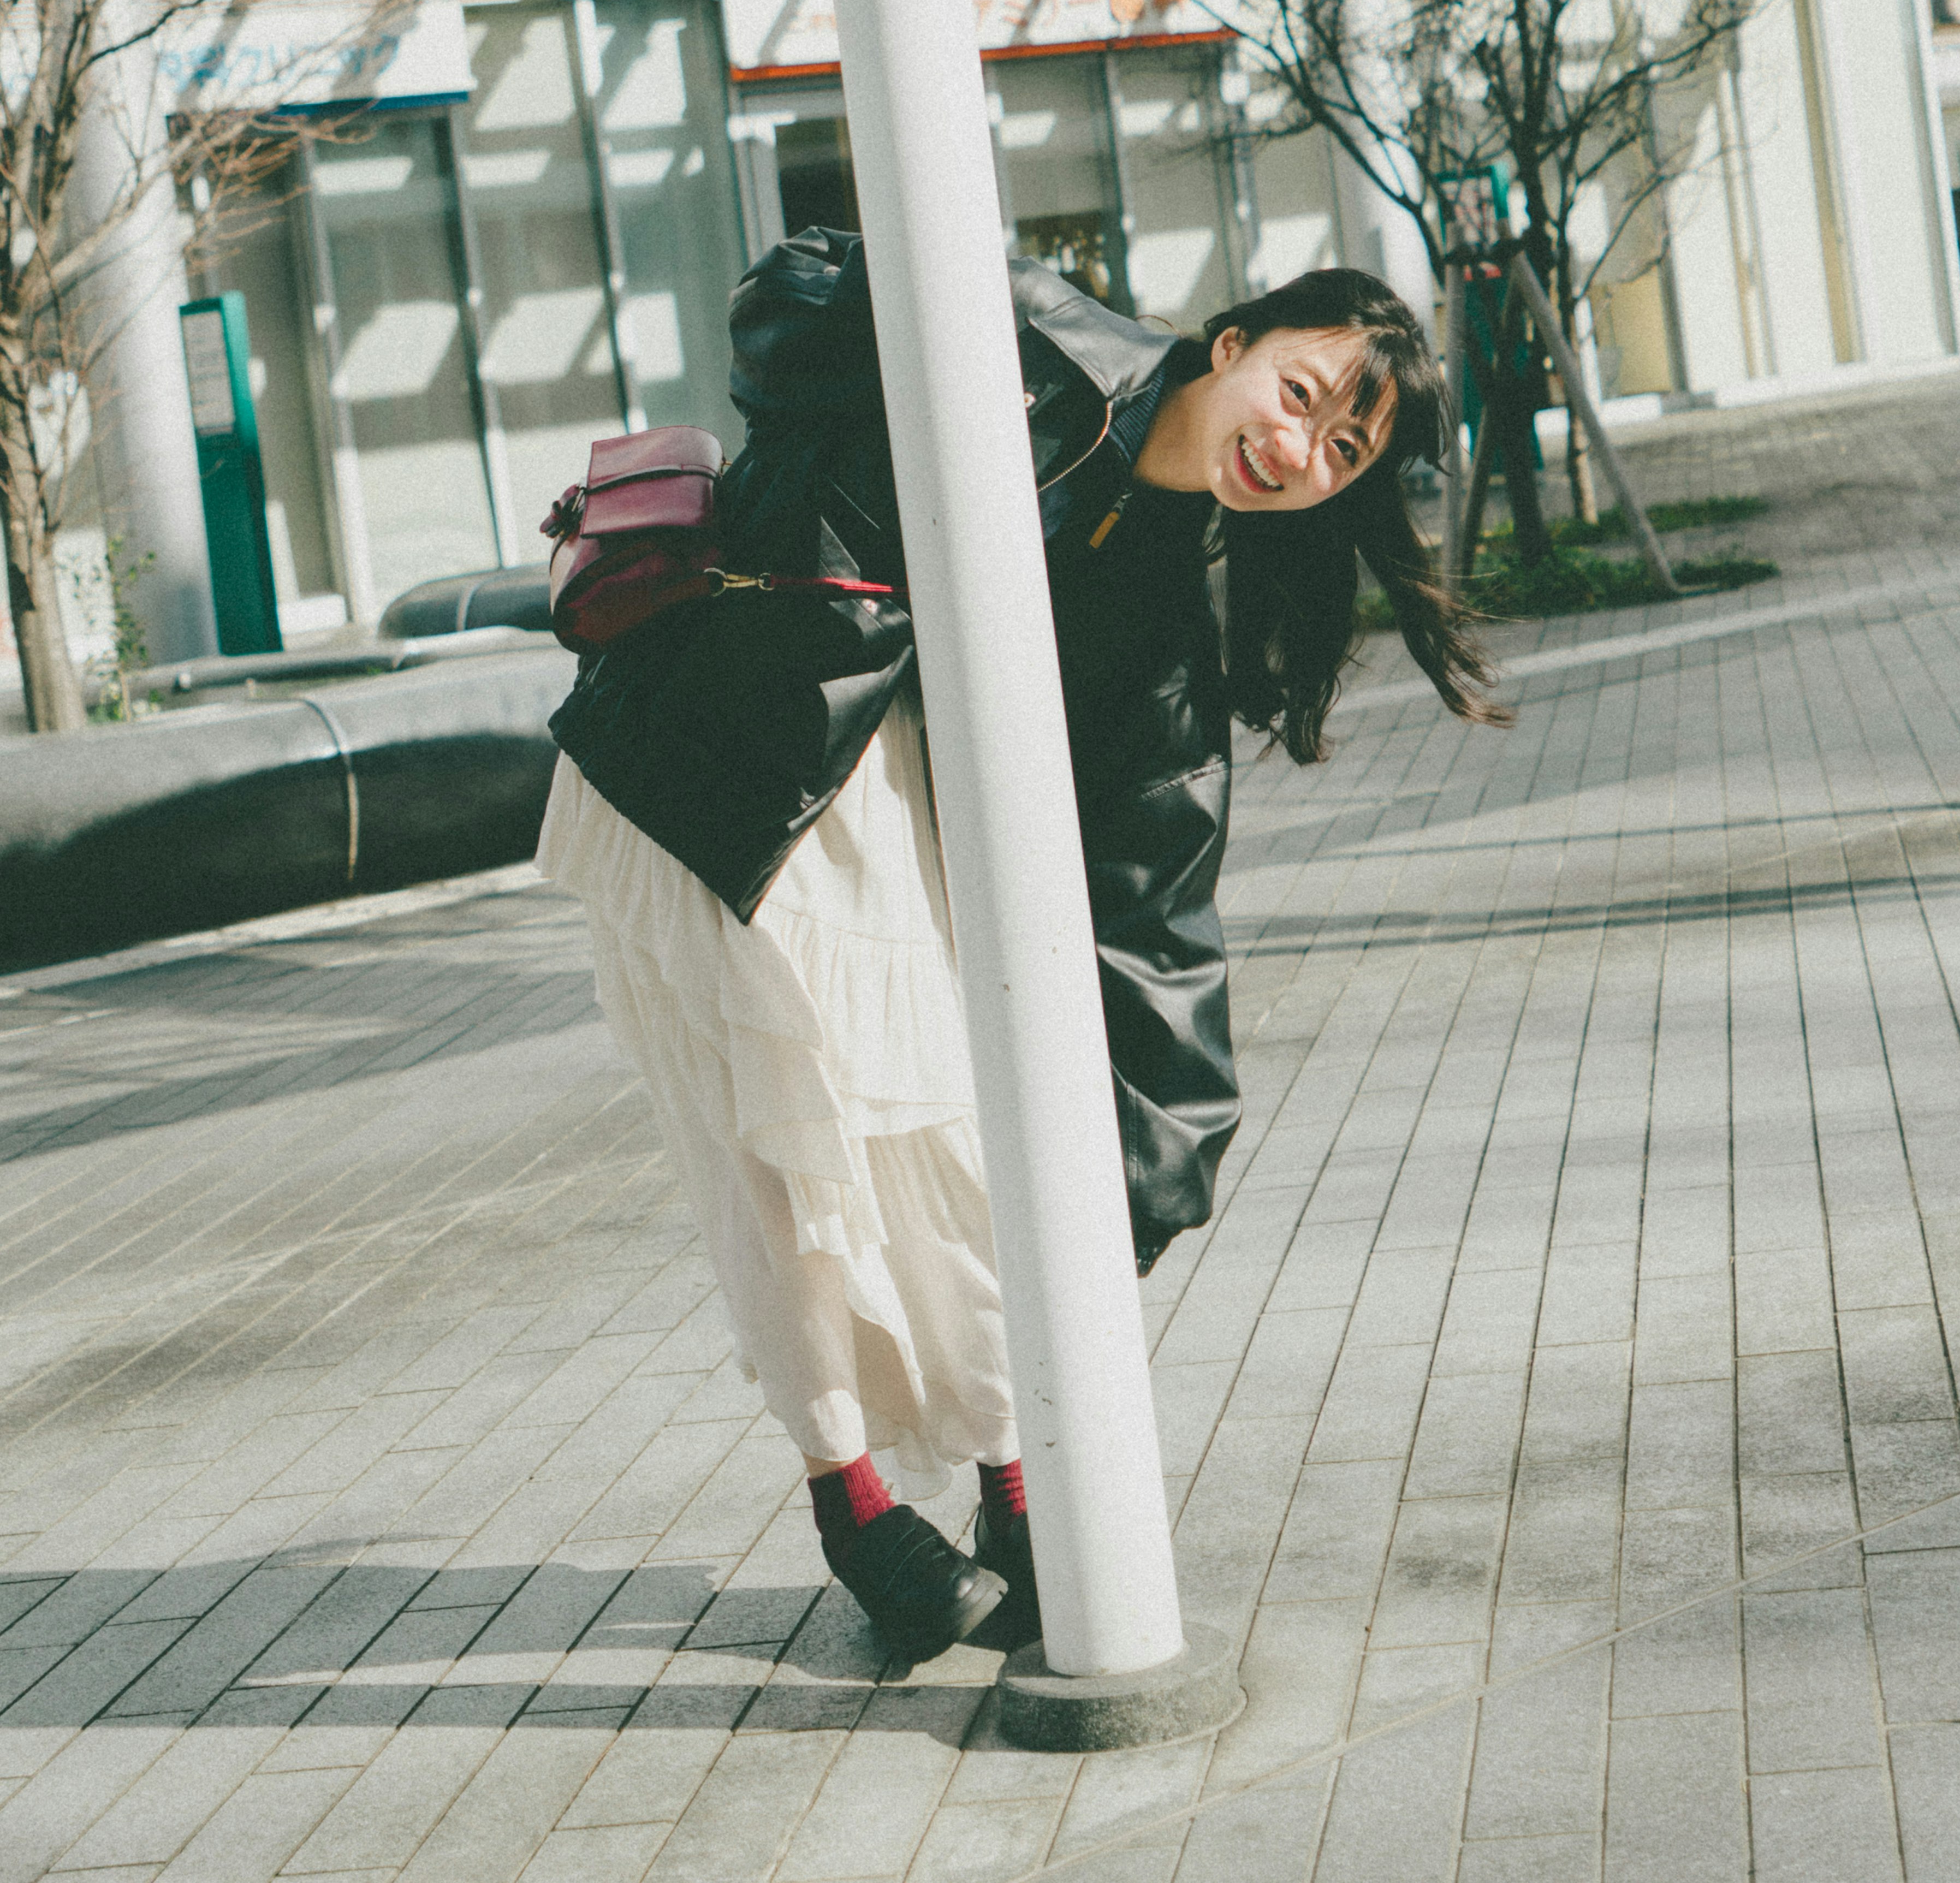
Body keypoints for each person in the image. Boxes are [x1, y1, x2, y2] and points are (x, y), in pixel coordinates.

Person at [536, 228, 1497, 1666]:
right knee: (782, 1155)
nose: (1302, 450)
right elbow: (790, 286)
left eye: (1345, 451)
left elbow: (1156, 898)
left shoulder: (1164, 614)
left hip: (868, 829)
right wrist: (869, 454)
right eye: (1306, 396)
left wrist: (1155, 1174)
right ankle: (852, 1504)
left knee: (944, 1153)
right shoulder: (1038, 346)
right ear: (1237, 344)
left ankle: (1010, 1485)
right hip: (697, 770)